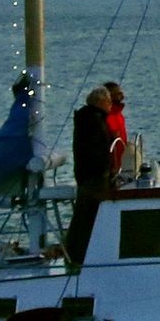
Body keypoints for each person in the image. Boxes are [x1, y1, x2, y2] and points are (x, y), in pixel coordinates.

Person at [65, 85, 115, 268]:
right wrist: (105, 170)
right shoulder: (93, 121)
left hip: (87, 175)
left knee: (83, 216)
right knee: (87, 217)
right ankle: (80, 255)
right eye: (109, 101)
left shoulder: (87, 118)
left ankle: (76, 253)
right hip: (93, 177)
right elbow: (96, 150)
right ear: (100, 102)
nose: (111, 105)